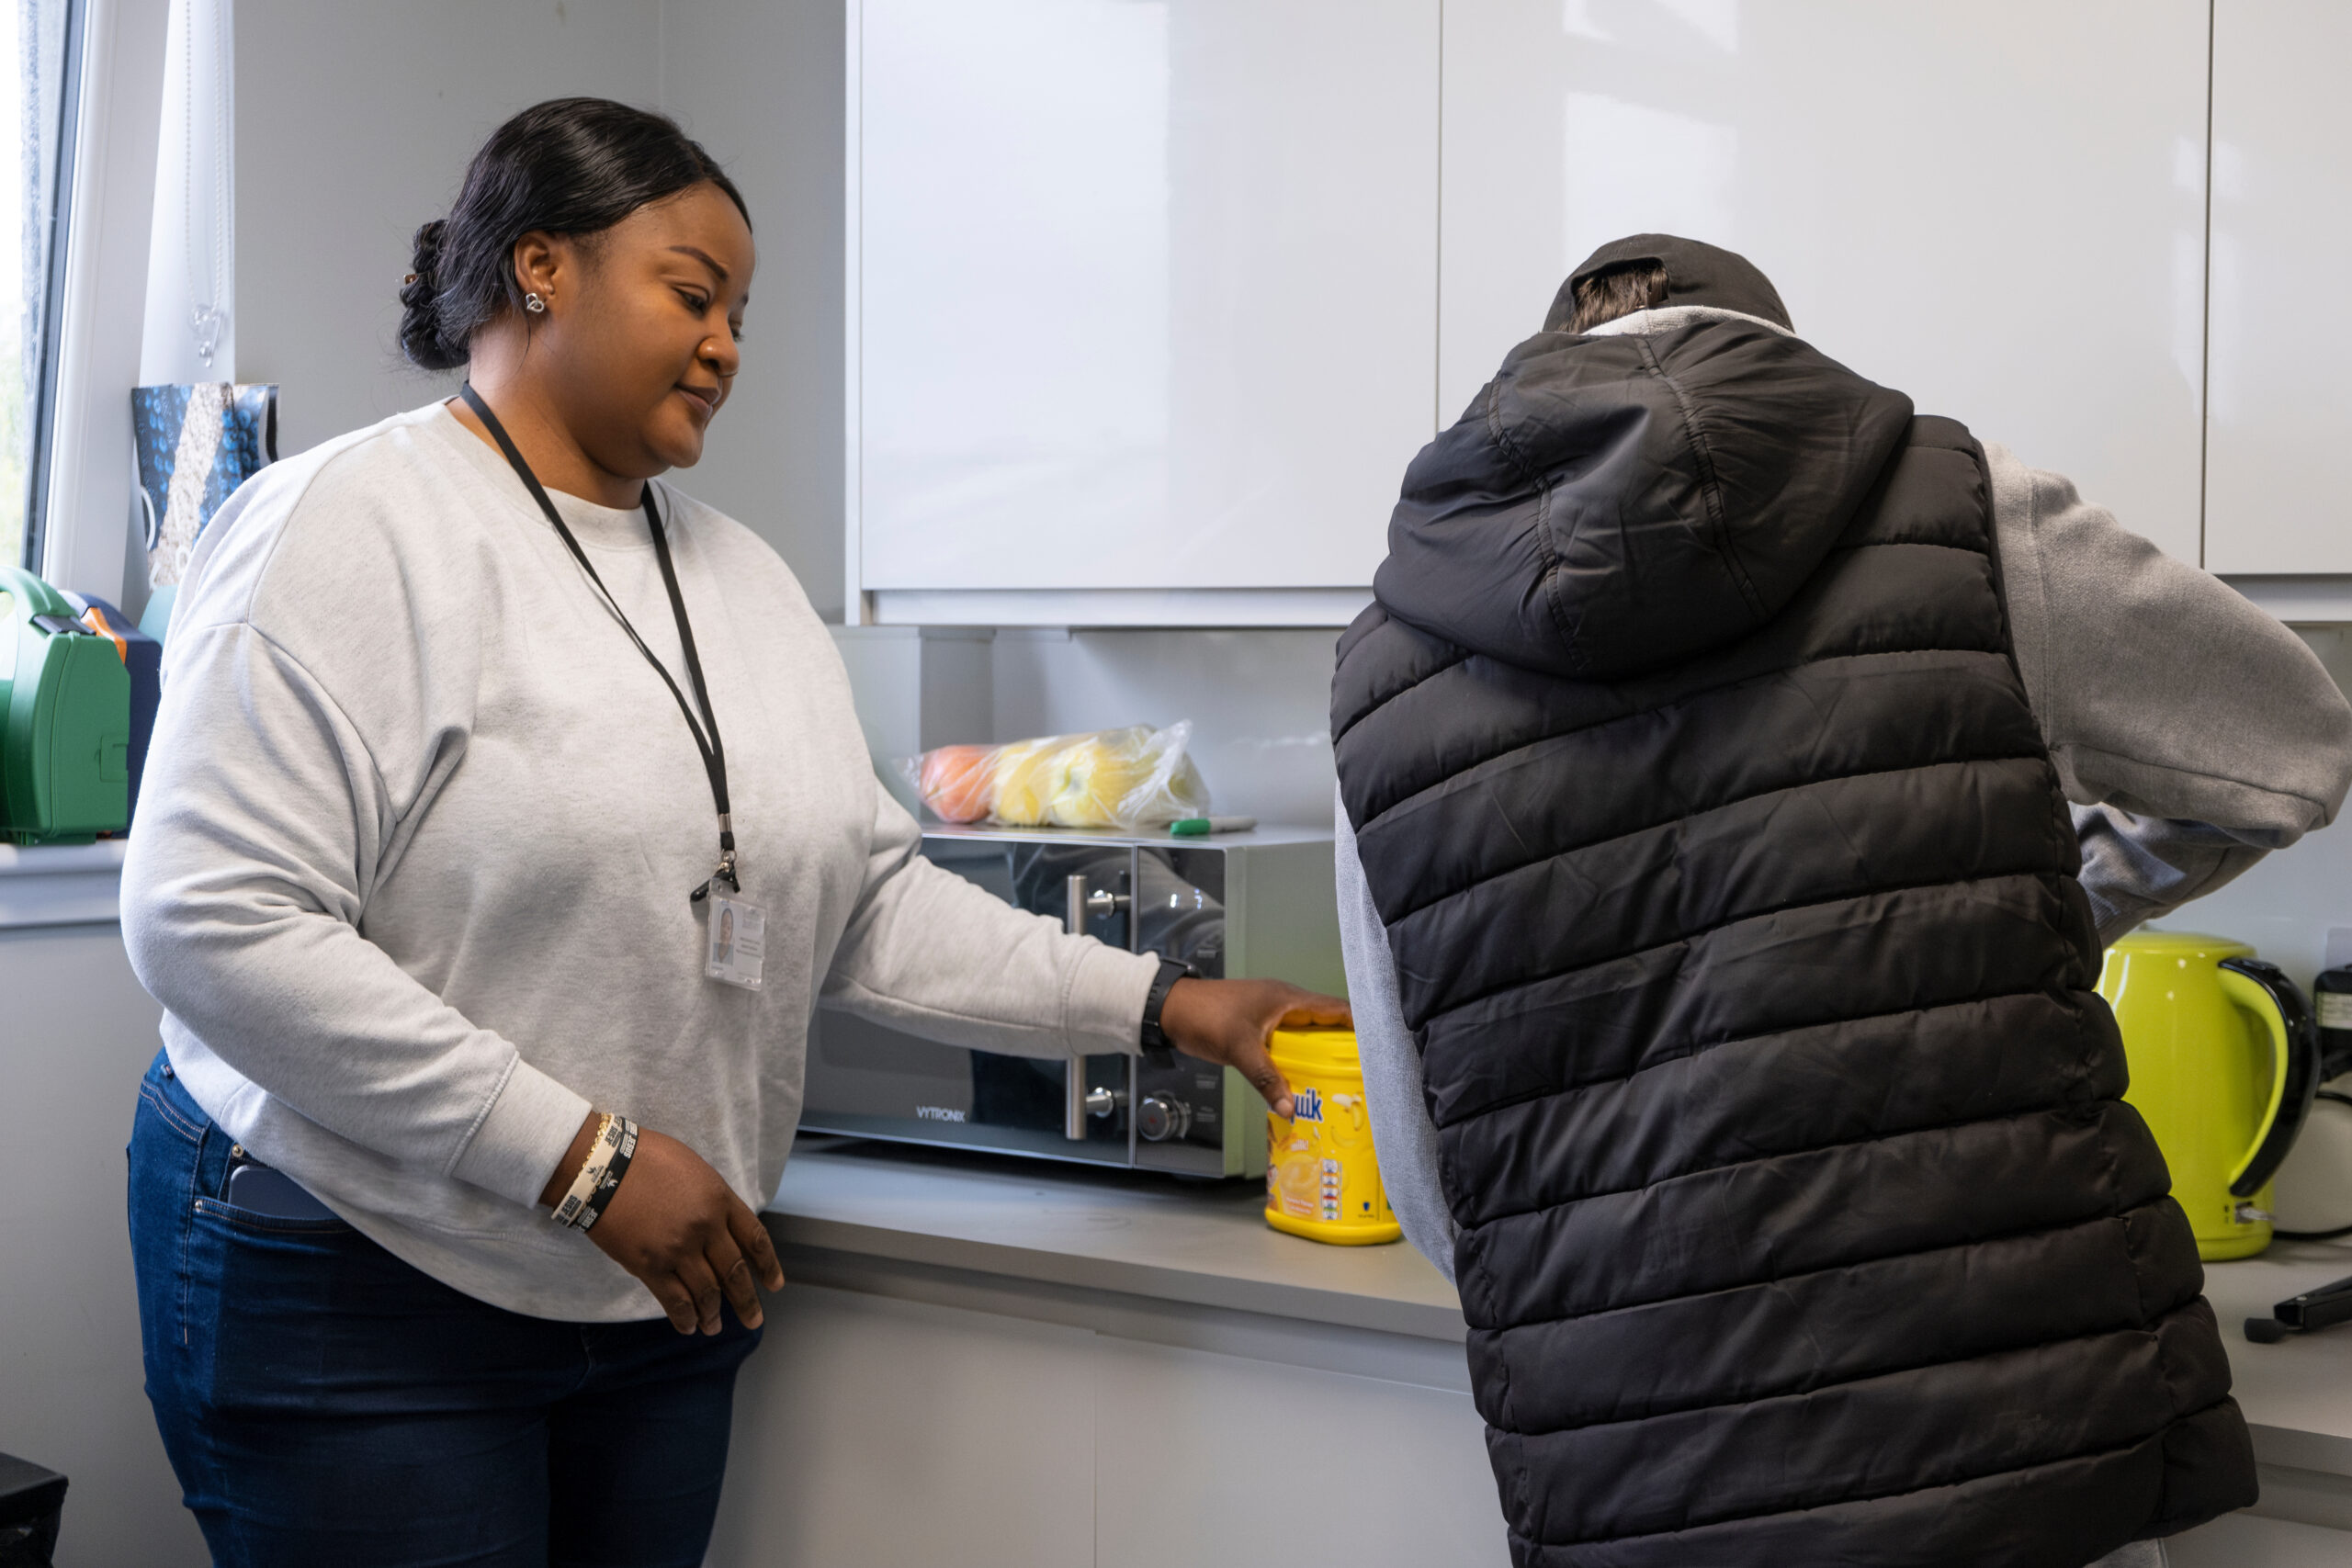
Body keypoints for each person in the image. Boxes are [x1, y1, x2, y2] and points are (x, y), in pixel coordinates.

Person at [120, 97, 1346, 1568]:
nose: (728, 347)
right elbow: (213, 920)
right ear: (540, 269)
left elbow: (866, 899)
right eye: (693, 295)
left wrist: (1170, 1003)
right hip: (360, 1271)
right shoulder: (345, 528)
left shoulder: (746, 581)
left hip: (654, 1294)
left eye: (741, 315)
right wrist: (582, 1161)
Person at [1329, 234, 2352, 1568]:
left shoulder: (1380, 673)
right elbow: (2290, 750)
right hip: (2025, 1449)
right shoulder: (1969, 510)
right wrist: (2039, 909)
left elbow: (1429, 1185)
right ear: (1777, 359)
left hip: (1652, 1480)